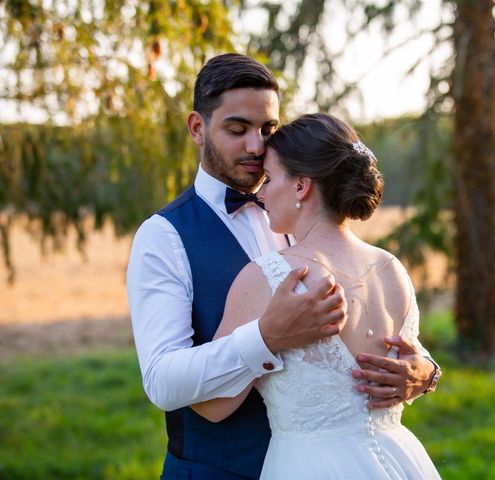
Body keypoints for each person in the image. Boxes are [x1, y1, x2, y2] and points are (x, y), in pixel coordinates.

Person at [127, 53, 439, 480]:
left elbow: (368, 338)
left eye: (267, 129)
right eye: (237, 130)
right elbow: (162, 381)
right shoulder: (163, 236)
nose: (256, 146)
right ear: (198, 128)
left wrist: (424, 371)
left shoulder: (301, 214)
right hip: (218, 470)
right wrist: (267, 336)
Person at [192, 113, 442, 479]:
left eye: (270, 178)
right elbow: (414, 362)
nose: (260, 193)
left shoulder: (271, 277)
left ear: (301, 186)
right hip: (400, 459)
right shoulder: (391, 269)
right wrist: (431, 374)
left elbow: (212, 405)